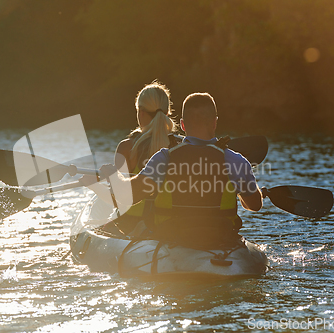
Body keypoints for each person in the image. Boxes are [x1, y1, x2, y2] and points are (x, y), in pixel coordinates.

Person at [96, 92, 262, 249]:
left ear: (182, 125)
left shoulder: (164, 158)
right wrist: (240, 191)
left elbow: (129, 196)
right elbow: (255, 205)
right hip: (222, 241)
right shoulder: (235, 160)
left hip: (174, 242)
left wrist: (115, 178)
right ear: (214, 122)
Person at [83, 81, 180, 235]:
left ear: (140, 112)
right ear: (167, 113)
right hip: (169, 225)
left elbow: (119, 199)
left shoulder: (128, 148)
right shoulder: (181, 146)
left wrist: (92, 185)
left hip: (131, 225)